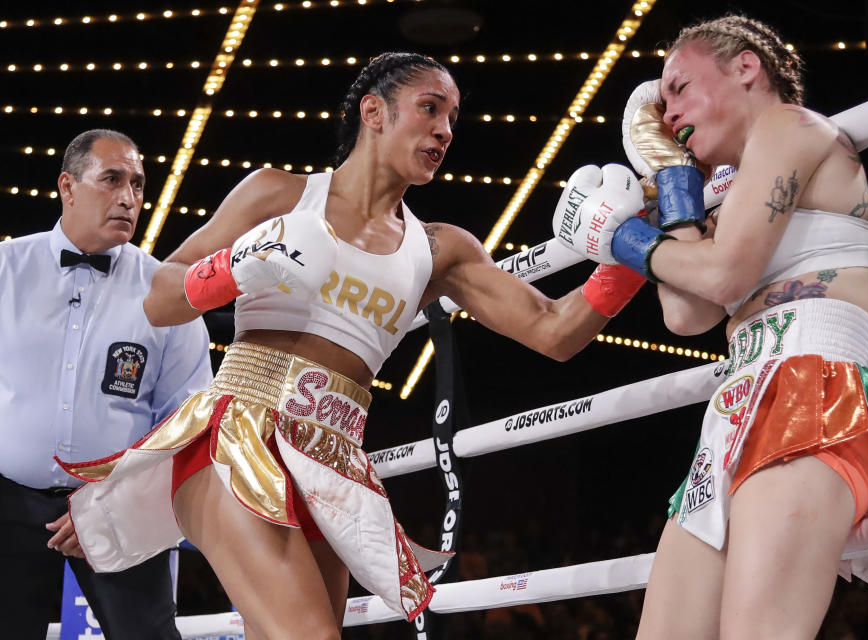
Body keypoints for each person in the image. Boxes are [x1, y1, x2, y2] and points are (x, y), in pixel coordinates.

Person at [58, 52, 648, 639]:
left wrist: (632, 248)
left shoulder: (441, 249)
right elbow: (161, 299)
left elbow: (554, 331)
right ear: (374, 111)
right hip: (236, 437)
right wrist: (236, 268)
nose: (444, 130)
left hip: (331, 463)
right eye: (430, 108)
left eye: (453, 118)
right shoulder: (280, 195)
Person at [553, 15, 868, 640]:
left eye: (680, 88)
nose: (668, 114)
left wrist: (622, 236)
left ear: (746, 67)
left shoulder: (789, 126)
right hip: (737, 407)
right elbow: (688, 315)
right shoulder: (732, 186)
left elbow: (721, 277)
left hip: (812, 389)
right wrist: (675, 183)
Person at [0, 129, 213, 639]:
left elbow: (188, 419)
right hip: (7, 502)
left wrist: (122, 500)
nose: (128, 198)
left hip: (119, 507)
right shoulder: (5, 270)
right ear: (68, 187)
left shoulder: (167, 292)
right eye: (112, 179)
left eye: (138, 184)